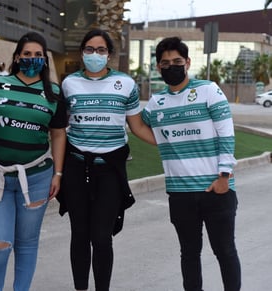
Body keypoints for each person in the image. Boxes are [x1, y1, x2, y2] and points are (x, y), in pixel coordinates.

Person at [141, 36, 241, 291]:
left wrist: (224, 177)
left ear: (187, 62)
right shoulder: (156, 103)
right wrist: (165, 141)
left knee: (225, 251)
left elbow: (226, 133)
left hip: (215, 189)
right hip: (180, 193)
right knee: (189, 254)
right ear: (158, 68)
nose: (171, 66)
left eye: (176, 61)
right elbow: (140, 127)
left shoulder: (208, 90)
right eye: (165, 63)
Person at [59, 29, 155, 291]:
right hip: (76, 168)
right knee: (79, 235)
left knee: (102, 237)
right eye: (89, 49)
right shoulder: (69, 84)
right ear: (82, 52)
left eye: (101, 50)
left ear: (109, 55)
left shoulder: (125, 84)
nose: (95, 54)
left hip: (110, 170)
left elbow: (136, 126)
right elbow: (59, 128)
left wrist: (172, 144)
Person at [0, 31, 67, 291]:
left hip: (37, 177)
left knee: (27, 242)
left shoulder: (54, 93)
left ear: (45, 59)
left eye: (38, 54)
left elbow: (58, 134)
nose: (32, 58)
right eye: (26, 54)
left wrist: (58, 174)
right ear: (17, 57)